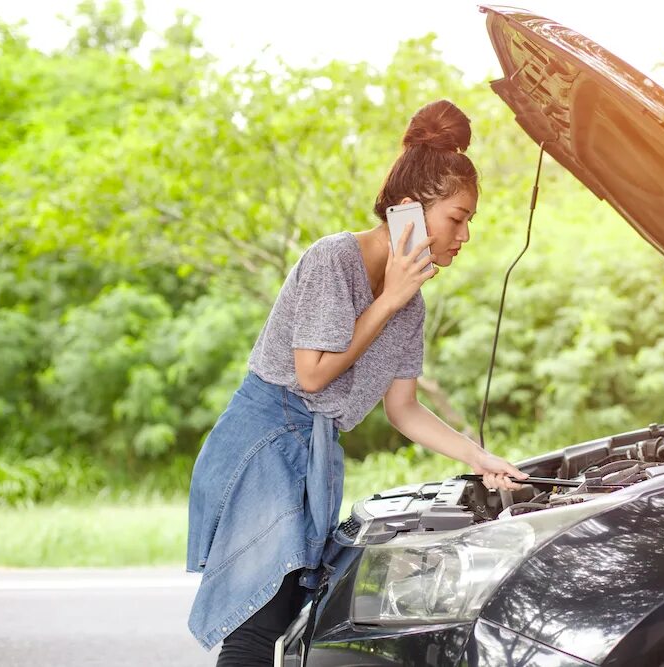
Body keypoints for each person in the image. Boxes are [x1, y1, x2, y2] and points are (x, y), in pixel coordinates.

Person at [185, 99, 529, 665]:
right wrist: (388, 297)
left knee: (283, 620)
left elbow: (405, 410)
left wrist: (482, 459)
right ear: (408, 212)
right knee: (254, 627)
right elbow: (312, 373)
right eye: (458, 217)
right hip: (265, 446)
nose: (464, 235)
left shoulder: (411, 305)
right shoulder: (333, 260)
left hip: (312, 456)